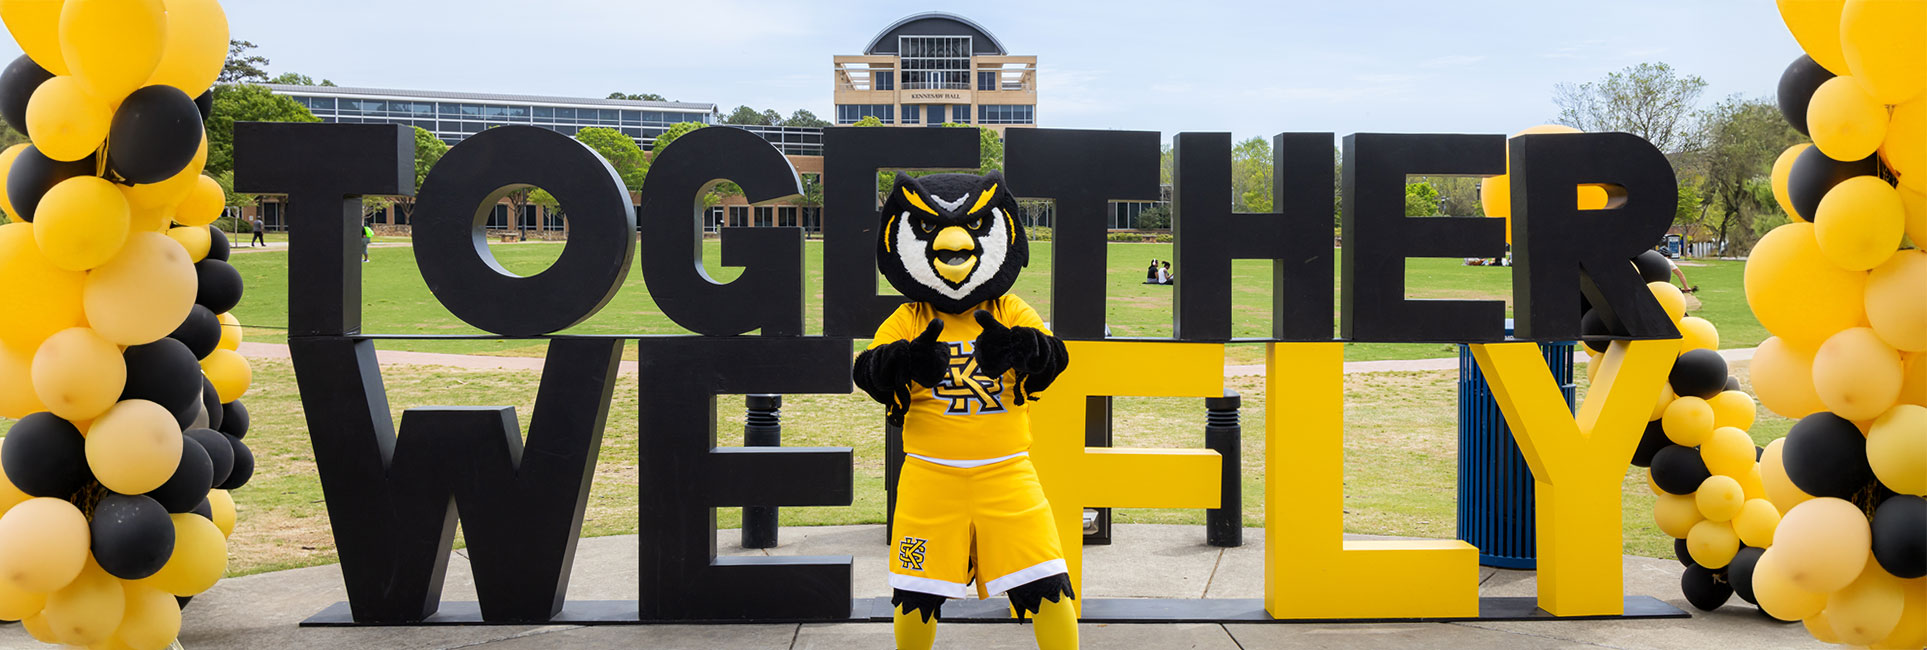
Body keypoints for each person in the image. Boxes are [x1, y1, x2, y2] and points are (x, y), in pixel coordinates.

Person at [853, 171, 1078, 650]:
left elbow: (1053, 358)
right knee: (915, 594)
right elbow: (867, 371)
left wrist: (1022, 348)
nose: (954, 246)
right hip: (930, 480)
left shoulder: (1008, 307)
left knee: (1048, 585)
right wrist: (902, 362)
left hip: (1008, 474)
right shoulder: (910, 317)